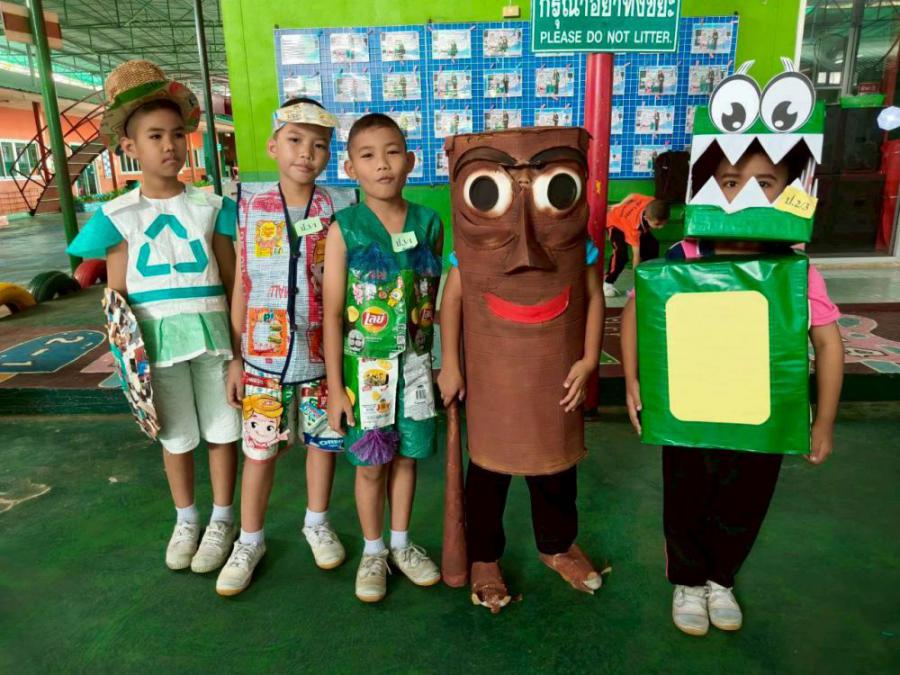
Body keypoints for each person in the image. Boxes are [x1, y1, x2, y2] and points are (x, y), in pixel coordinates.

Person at [620, 145, 844, 636]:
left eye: (764, 183)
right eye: (729, 181)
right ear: (707, 189)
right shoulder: (685, 255)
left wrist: (824, 420)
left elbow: (828, 343)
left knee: (745, 501)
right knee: (686, 499)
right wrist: (633, 380)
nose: (744, 194)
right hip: (690, 412)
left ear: (789, 193)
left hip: (760, 418)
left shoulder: (795, 269)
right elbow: (636, 310)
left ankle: (721, 578)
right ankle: (688, 581)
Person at [67, 60, 241, 575]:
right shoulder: (119, 215)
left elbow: (233, 280)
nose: (170, 146)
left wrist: (240, 350)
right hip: (156, 345)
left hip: (214, 337)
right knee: (176, 435)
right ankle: (187, 518)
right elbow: (118, 299)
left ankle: (223, 519)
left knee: (223, 429)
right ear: (129, 147)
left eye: (177, 134)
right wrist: (126, 361)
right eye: (155, 136)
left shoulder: (212, 207)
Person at [439, 127, 606, 613]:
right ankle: (484, 556)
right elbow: (452, 302)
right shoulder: (470, 253)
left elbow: (593, 296)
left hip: (556, 374)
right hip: (491, 376)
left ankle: (558, 545)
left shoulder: (578, 247)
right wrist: (451, 365)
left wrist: (589, 358)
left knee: (556, 467)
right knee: (488, 472)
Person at [215, 97, 356, 596]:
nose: (306, 153)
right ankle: (249, 540)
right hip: (262, 358)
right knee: (259, 451)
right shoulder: (249, 205)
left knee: (323, 444)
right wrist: (236, 356)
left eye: (319, 145)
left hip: (321, 356)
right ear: (274, 146)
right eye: (295, 141)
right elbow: (243, 283)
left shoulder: (339, 207)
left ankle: (317, 522)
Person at [323, 113, 443, 603]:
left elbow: (432, 299)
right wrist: (336, 388)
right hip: (364, 372)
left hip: (415, 367)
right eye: (368, 156)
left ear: (410, 160)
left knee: (409, 458)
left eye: (393, 152)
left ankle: (401, 543)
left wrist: (442, 365)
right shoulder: (345, 228)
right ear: (350, 167)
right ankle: (373, 552)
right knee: (371, 464)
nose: (382, 165)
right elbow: (333, 314)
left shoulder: (429, 222)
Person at [603, 194, 670, 297]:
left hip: (631, 222)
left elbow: (633, 196)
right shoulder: (635, 227)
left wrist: (620, 204)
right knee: (621, 254)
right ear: (646, 218)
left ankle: (648, 277)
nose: (661, 227)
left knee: (652, 245)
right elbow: (636, 255)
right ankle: (607, 282)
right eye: (657, 224)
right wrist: (636, 281)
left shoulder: (651, 202)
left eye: (664, 223)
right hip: (615, 223)